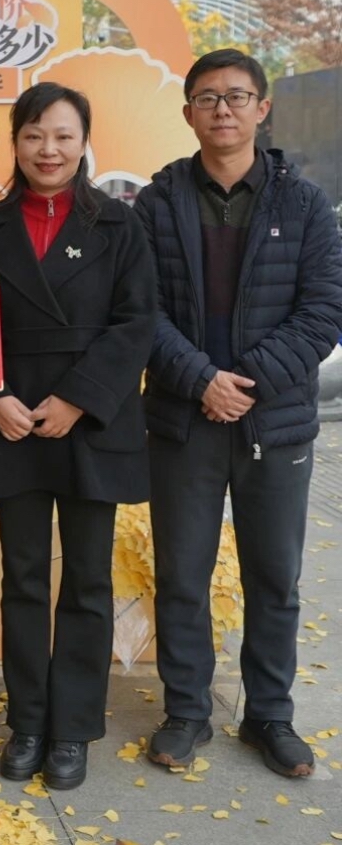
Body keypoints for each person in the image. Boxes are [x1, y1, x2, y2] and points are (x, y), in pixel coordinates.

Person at [137, 49, 342, 779]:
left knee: (275, 577)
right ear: (188, 111)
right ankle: (187, 711)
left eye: (236, 96)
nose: (221, 109)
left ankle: (270, 716)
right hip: (183, 418)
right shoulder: (157, 202)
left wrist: (245, 383)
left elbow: (324, 311)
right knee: (182, 574)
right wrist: (201, 381)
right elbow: (140, 311)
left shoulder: (304, 204)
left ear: (262, 108)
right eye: (207, 98)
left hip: (273, 423)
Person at [0, 83, 155, 791]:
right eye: (35, 135)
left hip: (89, 421)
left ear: (84, 142)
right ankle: (28, 722)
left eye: (64, 136)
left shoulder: (120, 225)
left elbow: (137, 323)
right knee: (24, 578)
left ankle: (73, 728)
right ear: (16, 142)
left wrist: (77, 397)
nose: (49, 149)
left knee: (89, 579)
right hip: (12, 419)